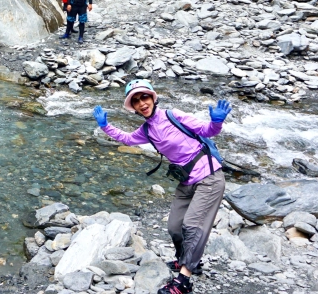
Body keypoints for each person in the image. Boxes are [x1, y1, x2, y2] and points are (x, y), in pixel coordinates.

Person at [93, 81, 231, 294]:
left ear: (153, 98)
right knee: (175, 227)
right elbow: (128, 140)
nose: (142, 103)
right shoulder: (147, 130)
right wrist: (105, 127)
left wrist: (217, 122)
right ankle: (185, 260)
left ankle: (183, 282)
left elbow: (206, 130)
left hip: (209, 176)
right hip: (186, 180)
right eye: (136, 101)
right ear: (133, 107)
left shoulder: (173, 116)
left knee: (193, 226)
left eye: (144, 97)